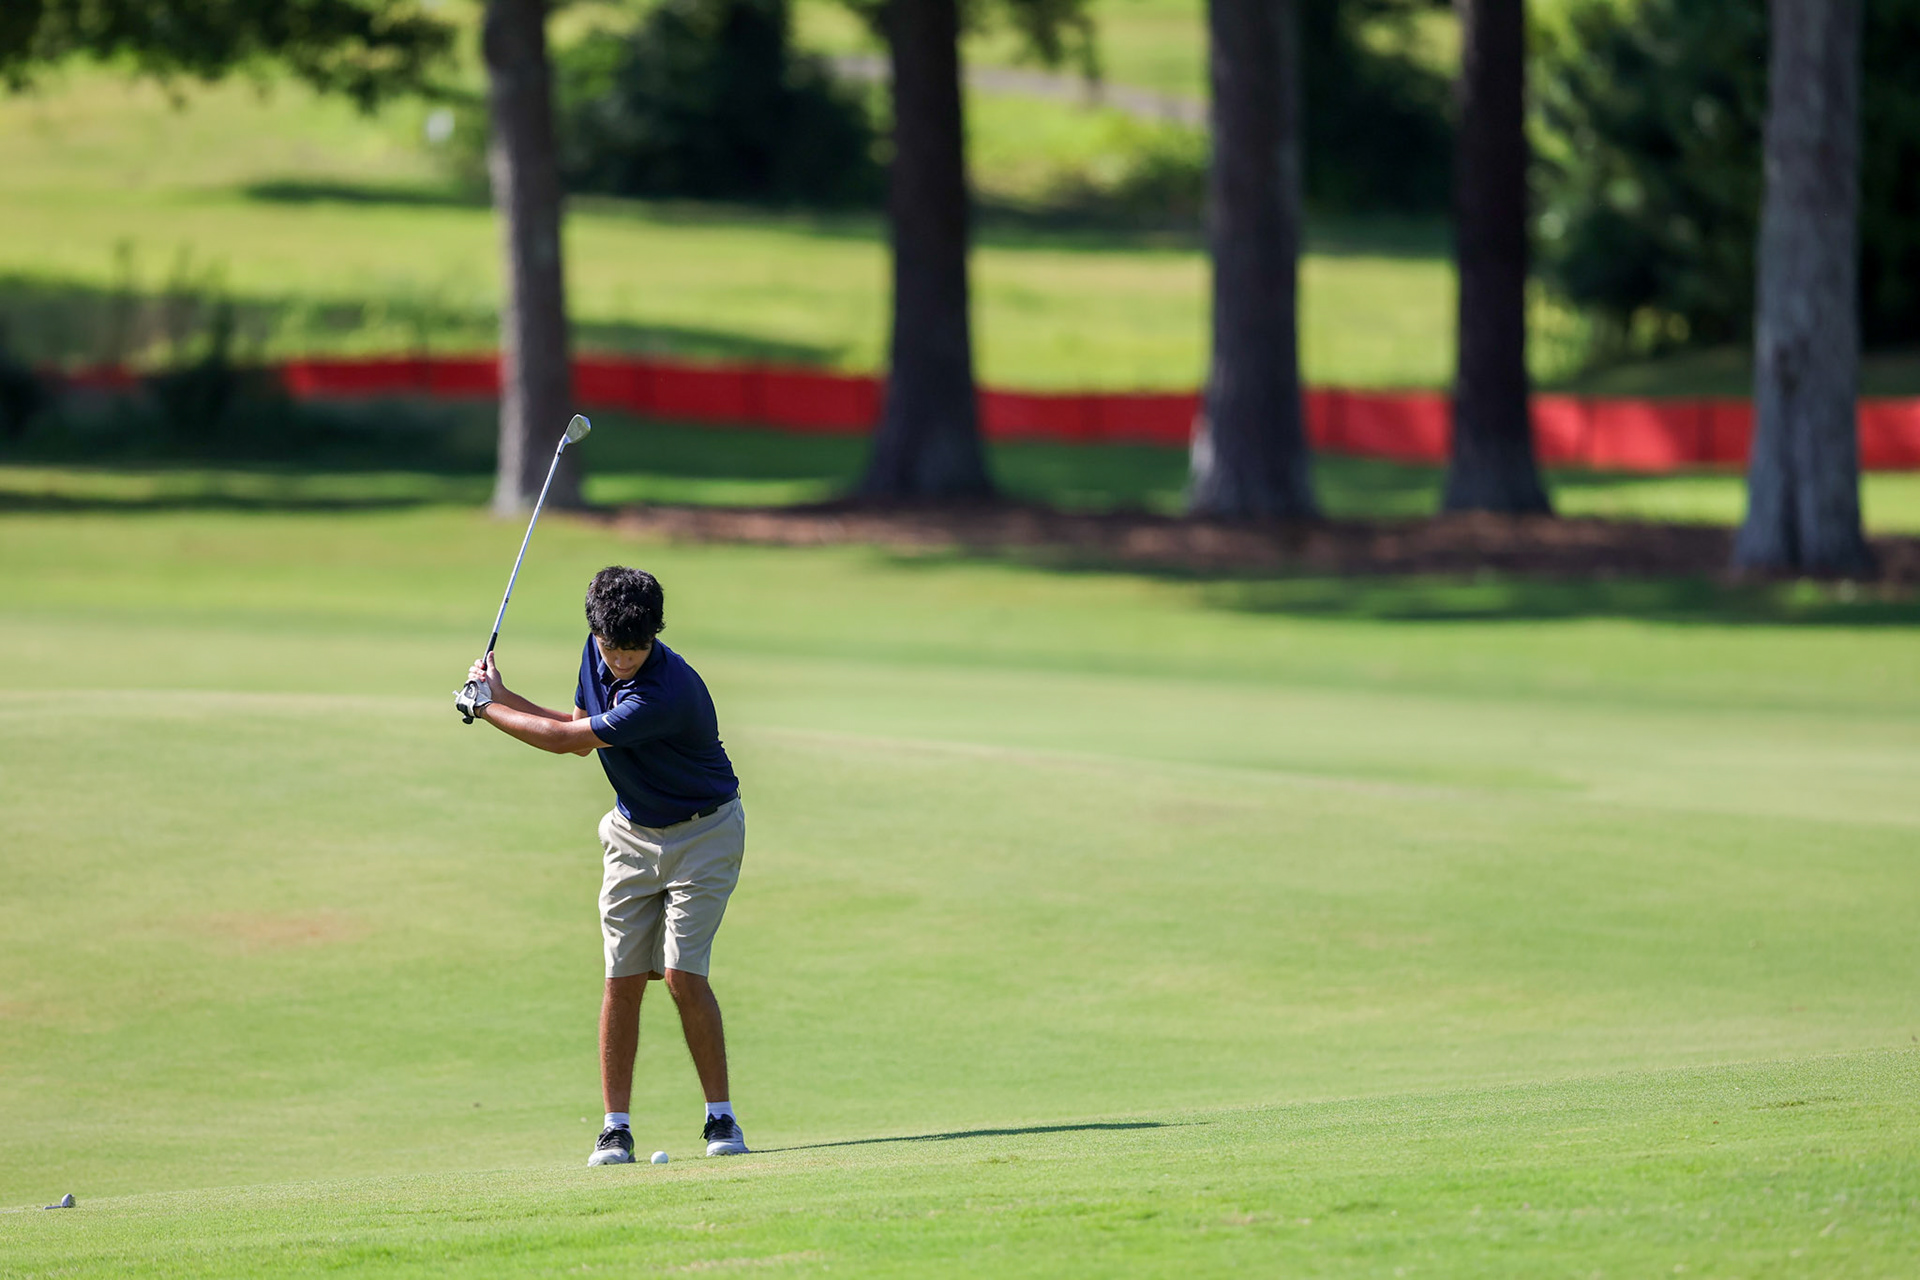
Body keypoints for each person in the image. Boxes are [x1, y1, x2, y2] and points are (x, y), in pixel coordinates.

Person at [456, 565, 748, 1166]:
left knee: (680, 974)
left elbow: (572, 744)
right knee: (620, 978)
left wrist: (485, 710)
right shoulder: (595, 657)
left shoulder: (663, 691)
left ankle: (721, 1118)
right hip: (630, 834)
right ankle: (615, 1128)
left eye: (636, 649)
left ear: (655, 637)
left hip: (706, 833)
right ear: (596, 634)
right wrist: (501, 695)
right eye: (614, 648)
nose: (623, 661)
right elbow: (573, 722)